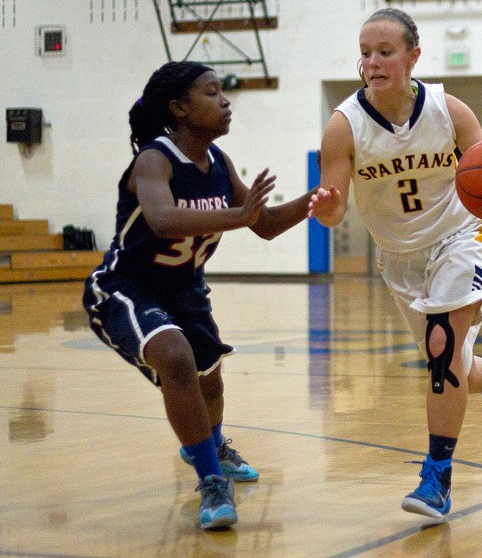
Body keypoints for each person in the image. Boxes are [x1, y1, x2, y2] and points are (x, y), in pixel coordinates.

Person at [308, 8, 482, 519]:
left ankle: (437, 478)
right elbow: (336, 208)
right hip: (400, 257)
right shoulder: (344, 127)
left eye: (385, 52)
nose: (372, 62)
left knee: (441, 349)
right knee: (452, 366)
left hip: (462, 235)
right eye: (365, 53)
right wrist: (327, 208)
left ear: (413, 56)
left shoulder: (448, 109)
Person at [83, 60, 316, 530]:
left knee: (210, 381)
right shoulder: (155, 159)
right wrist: (239, 215)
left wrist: (317, 199)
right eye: (212, 93)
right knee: (175, 358)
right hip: (125, 286)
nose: (225, 101)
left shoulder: (220, 165)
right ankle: (211, 480)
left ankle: (214, 445)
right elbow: (164, 220)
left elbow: (264, 224)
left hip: (185, 289)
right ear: (180, 109)